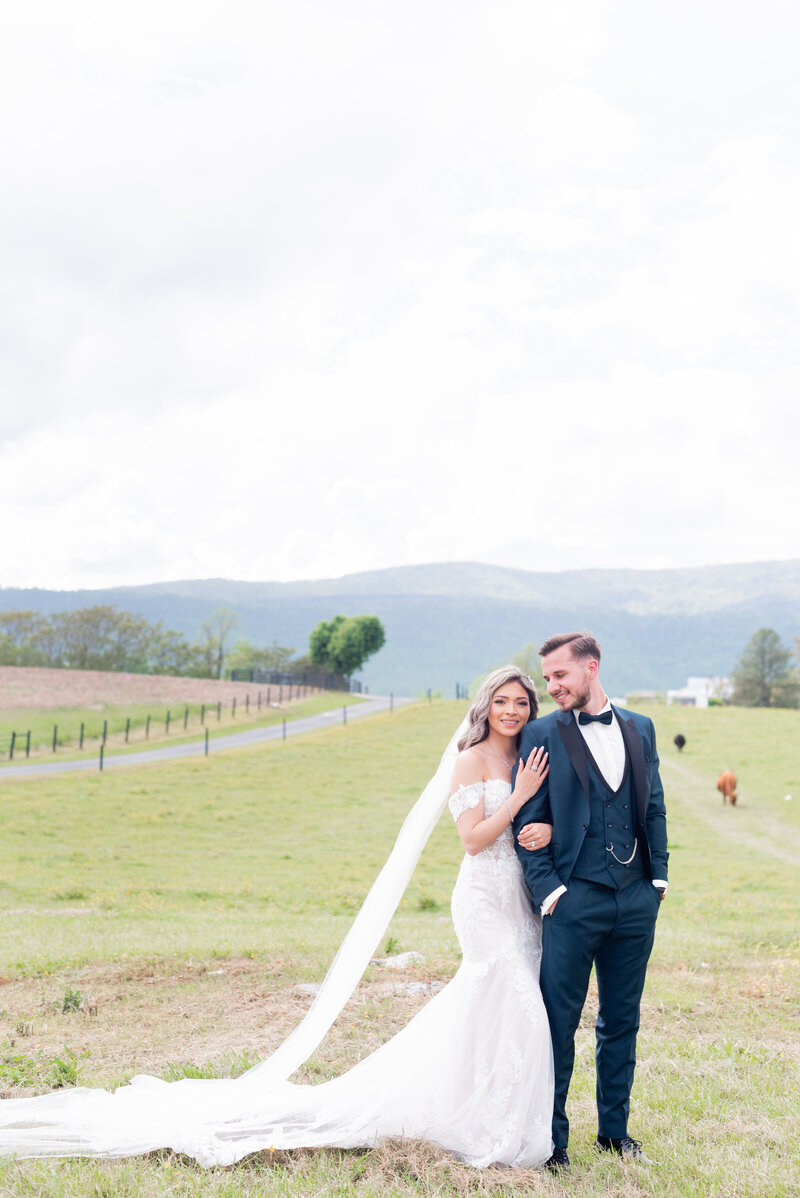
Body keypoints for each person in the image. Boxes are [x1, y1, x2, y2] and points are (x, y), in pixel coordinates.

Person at [0, 668, 555, 1169]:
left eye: (521, 703)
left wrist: (543, 824)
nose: (512, 711)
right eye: (502, 701)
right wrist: (518, 799)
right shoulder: (470, 759)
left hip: (520, 899)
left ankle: (481, 1106)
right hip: (483, 899)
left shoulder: (524, 755)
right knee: (515, 998)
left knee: (501, 1003)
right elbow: (474, 841)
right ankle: (491, 1123)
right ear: (485, 705)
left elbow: (539, 820)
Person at [512, 633, 668, 1173]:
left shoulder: (640, 728)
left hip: (636, 900)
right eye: (547, 678)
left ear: (591, 667)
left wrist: (660, 880)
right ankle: (553, 1142)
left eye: (559, 676)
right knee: (558, 1023)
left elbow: (653, 807)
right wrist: (552, 892)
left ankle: (614, 1133)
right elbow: (525, 820)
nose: (550, 687)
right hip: (573, 901)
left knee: (622, 1020)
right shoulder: (540, 733)